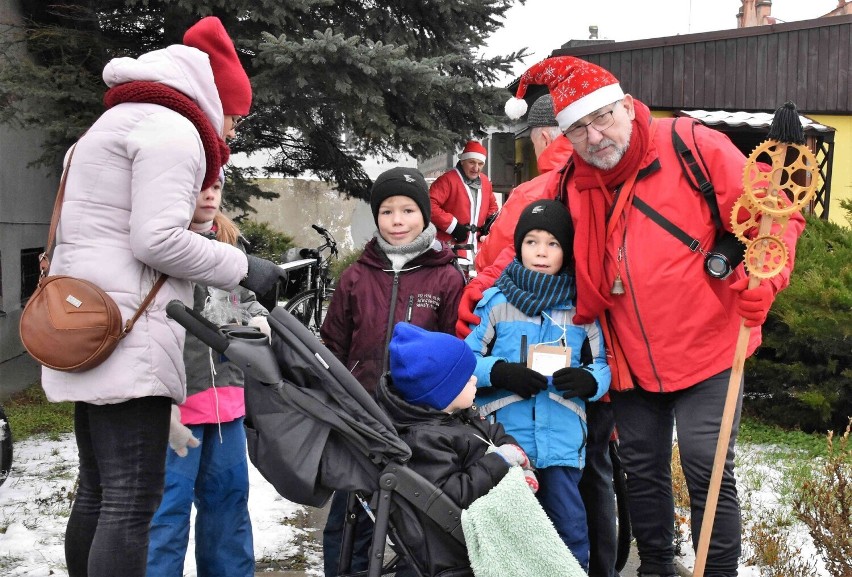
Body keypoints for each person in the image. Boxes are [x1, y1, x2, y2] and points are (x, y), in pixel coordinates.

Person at [498, 56, 806, 577]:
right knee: (641, 472)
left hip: (709, 346)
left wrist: (766, 282)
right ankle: (657, 568)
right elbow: (511, 250)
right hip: (628, 358)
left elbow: (776, 215)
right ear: (562, 135)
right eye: (577, 128)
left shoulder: (692, 145)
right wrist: (478, 310)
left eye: (603, 118)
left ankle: (717, 570)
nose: (595, 137)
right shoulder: (568, 184)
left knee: (707, 468)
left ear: (625, 105)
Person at [39, 16, 284, 577]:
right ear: (213, 97)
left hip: (84, 324)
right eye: (234, 117)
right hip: (128, 331)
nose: (231, 131)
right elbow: (155, 240)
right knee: (131, 500)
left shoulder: (110, 125)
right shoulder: (173, 131)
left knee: (98, 492)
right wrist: (244, 267)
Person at [460, 95, 620, 577]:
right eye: (532, 243)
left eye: (552, 244)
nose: (541, 250)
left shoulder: (578, 310)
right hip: (507, 441)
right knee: (511, 528)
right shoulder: (499, 303)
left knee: (569, 528)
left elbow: (603, 362)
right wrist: (500, 371)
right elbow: (467, 361)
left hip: (561, 441)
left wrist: (591, 382)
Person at [319, 166, 465, 576]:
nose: (397, 221)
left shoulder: (447, 277)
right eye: (386, 211)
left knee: (418, 528)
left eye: (407, 210)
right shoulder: (355, 277)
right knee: (349, 523)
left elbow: (456, 351)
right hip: (361, 421)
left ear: (425, 215)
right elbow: (333, 345)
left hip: (420, 428)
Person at [146, 170, 270, 577]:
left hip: (227, 408)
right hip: (175, 410)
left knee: (229, 506)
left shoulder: (230, 247)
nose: (209, 195)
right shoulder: (157, 247)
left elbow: (246, 299)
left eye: (216, 187)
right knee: (166, 513)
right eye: (201, 185)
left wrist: (259, 318)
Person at [376, 322, 536, 577]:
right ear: (441, 392)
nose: (474, 379)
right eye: (465, 378)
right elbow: (453, 494)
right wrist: (500, 462)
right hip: (454, 550)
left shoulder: (457, 415)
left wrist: (512, 451)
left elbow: (492, 434)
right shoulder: (425, 439)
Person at [473, 94, 573, 275]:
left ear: (545, 139)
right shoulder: (602, 180)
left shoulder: (529, 193)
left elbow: (491, 261)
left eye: (534, 145)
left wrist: (485, 247)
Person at [429, 140, 499, 258]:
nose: (476, 168)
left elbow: (493, 207)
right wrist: (453, 227)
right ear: (462, 161)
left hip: (478, 250)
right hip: (450, 248)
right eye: (472, 162)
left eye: (480, 164)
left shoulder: (486, 182)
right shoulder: (447, 180)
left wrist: (487, 225)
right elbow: (429, 205)